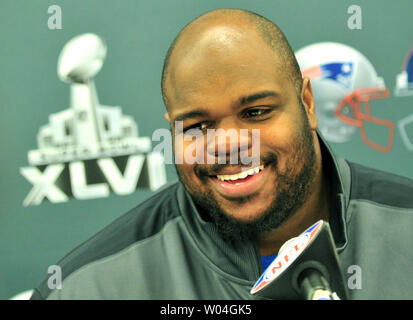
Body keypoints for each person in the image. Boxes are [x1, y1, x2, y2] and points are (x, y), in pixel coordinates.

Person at [31, 8, 413, 300]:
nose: (229, 144)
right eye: (196, 126)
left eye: (256, 112)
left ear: (307, 104)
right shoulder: (86, 288)